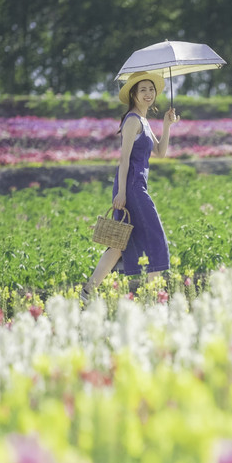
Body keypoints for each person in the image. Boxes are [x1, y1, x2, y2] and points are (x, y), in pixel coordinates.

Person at [81, 70, 178, 303]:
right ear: (133, 93)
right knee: (155, 238)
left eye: (151, 89)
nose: (148, 93)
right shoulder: (132, 120)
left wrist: (167, 125)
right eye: (142, 89)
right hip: (132, 188)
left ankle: (86, 293)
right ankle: (155, 298)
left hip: (135, 186)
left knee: (117, 244)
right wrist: (122, 193)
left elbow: (160, 152)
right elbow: (123, 159)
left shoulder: (143, 120)